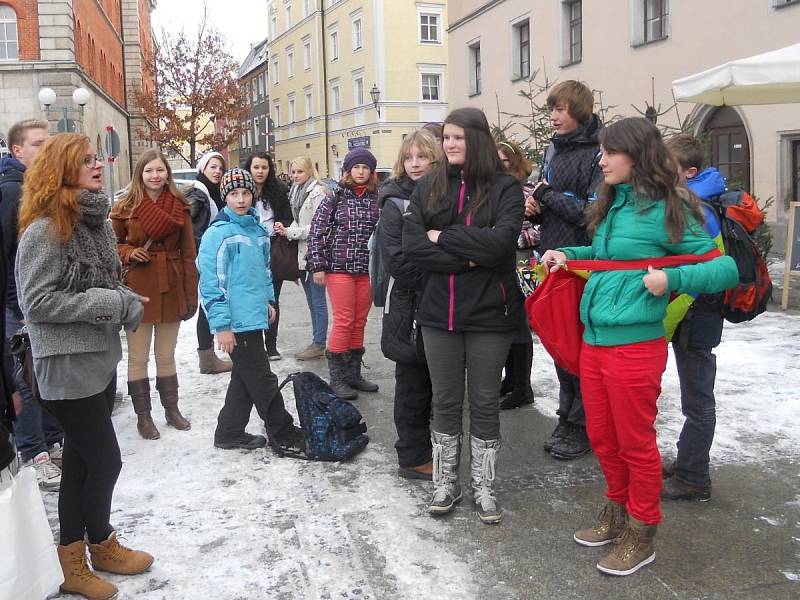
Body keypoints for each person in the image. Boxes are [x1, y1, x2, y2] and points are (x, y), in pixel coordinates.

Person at [542, 117, 738, 576]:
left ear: (638, 155)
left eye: (611, 152)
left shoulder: (674, 206)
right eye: (602, 152)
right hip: (594, 339)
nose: (601, 159)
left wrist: (671, 278)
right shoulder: (614, 203)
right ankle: (615, 510)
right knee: (602, 437)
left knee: (634, 442)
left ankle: (642, 529)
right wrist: (568, 256)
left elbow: (724, 269)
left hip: (635, 345)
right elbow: (614, 260)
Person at [16, 133, 154, 600]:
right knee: (104, 462)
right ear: (61, 169)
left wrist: (122, 300)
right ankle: (77, 557)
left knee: (79, 462)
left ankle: (95, 546)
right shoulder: (44, 229)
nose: (98, 166)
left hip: (96, 358)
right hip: (64, 364)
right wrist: (110, 302)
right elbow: (36, 301)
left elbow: (100, 284)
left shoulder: (92, 222)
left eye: (98, 158)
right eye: (87, 160)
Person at [403, 107, 524, 524]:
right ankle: (446, 482)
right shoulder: (431, 185)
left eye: (459, 137)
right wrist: (466, 260)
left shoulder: (506, 187)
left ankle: (484, 485)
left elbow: (501, 245)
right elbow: (412, 246)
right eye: (447, 137)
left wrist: (446, 237)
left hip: (491, 313)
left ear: (478, 139)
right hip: (440, 313)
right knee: (445, 401)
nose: (451, 144)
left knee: (486, 401)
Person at [197, 168, 305, 452]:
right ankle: (283, 432)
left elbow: (264, 273)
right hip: (235, 322)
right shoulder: (218, 235)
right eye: (234, 194)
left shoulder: (257, 231)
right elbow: (211, 284)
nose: (241, 199)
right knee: (262, 378)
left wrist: (268, 301)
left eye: (246, 193)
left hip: (253, 316)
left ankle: (229, 432)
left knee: (245, 378)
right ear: (225, 197)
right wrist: (221, 326)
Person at [527, 80, 603, 460]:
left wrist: (546, 197)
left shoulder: (599, 152)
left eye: (561, 109)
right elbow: (550, 195)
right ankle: (567, 416)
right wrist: (536, 205)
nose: (554, 117)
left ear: (579, 110)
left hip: (582, 261)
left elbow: (592, 213)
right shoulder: (553, 149)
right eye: (551, 110)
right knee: (559, 343)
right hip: (551, 258)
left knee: (579, 346)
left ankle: (581, 424)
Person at [111, 150, 198, 440]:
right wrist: (127, 251)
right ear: (140, 174)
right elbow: (113, 245)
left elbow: (188, 254)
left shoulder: (179, 207)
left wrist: (190, 293)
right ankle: (143, 417)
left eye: (160, 170)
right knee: (137, 357)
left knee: (166, 354)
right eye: (149, 171)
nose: (155, 176)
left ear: (167, 174)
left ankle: (171, 409)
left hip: (171, 284)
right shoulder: (125, 206)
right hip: (138, 286)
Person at [661, 133, 728, 502]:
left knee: (699, 398)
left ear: (689, 171)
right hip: (689, 311)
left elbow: (705, 272)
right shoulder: (687, 202)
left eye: (667, 167)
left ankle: (694, 477)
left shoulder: (698, 209)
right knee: (694, 396)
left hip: (697, 314)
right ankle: (687, 462)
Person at [0, 118, 63, 490]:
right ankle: (36, 454)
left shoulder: (39, 188)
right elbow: (9, 256)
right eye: (38, 144)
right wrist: (18, 307)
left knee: (41, 378)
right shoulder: (11, 191)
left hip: (32, 302)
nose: (46, 150)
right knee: (23, 382)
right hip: (16, 307)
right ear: (17, 151)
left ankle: (52, 445)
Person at [378, 129, 442, 481]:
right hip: (409, 304)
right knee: (413, 382)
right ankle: (413, 456)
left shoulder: (445, 194)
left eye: (422, 156)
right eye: (409, 157)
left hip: (438, 302)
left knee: (437, 382)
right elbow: (397, 261)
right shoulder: (395, 202)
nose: (415, 164)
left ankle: (433, 448)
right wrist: (444, 278)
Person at [307, 148, 381, 400]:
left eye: (365, 167)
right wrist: (317, 265)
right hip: (339, 268)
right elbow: (317, 232)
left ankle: (353, 374)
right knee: (344, 319)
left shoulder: (377, 198)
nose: (360, 172)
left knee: (360, 321)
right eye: (355, 167)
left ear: (371, 171)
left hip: (367, 269)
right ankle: (337, 378)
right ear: (347, 171)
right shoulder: (335, 197)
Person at [275, 157, 329, 360]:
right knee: (312, 301)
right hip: (303, 253)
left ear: (309, 171)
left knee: (318, 302)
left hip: (315, 253)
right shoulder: (296, 191)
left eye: (300, 172)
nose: (295, 175)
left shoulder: (318, 192)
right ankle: (317, 340)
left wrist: (290, 232)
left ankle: (319, 343)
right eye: (293, 172)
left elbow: (318, 227)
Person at [496, 139, 535, 410]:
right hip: (501, 263)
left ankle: (523, 386)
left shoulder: (525, 191)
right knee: (506, 323)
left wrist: (514, 240)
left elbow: (540, 228)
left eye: (504, 160)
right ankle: (511, 380)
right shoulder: (491, 189)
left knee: (519, 324)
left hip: (524, 265)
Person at [186, 151, 232, 374]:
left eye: (220, 168)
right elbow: (189, 227)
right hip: (204, 257)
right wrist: (203, 249)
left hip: (209, 255)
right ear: (203, 168)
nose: (217, 171)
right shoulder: (199, 193)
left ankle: (209, 355)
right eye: (213, 167)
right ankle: (207, 357)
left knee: (210, 303)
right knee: (208, 305)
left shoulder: (211, 192)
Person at [245, 152, 292, 360]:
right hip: (248, 247)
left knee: (273, 297)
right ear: (250, 168)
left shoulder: (279, 190)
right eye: (256, 167)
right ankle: (253, 344)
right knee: (251, 297)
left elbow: (287, 217)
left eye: (264, 167)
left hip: (272, 247)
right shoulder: (242, 190)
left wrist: (282, 225)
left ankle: (271, 345)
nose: (260, 171)